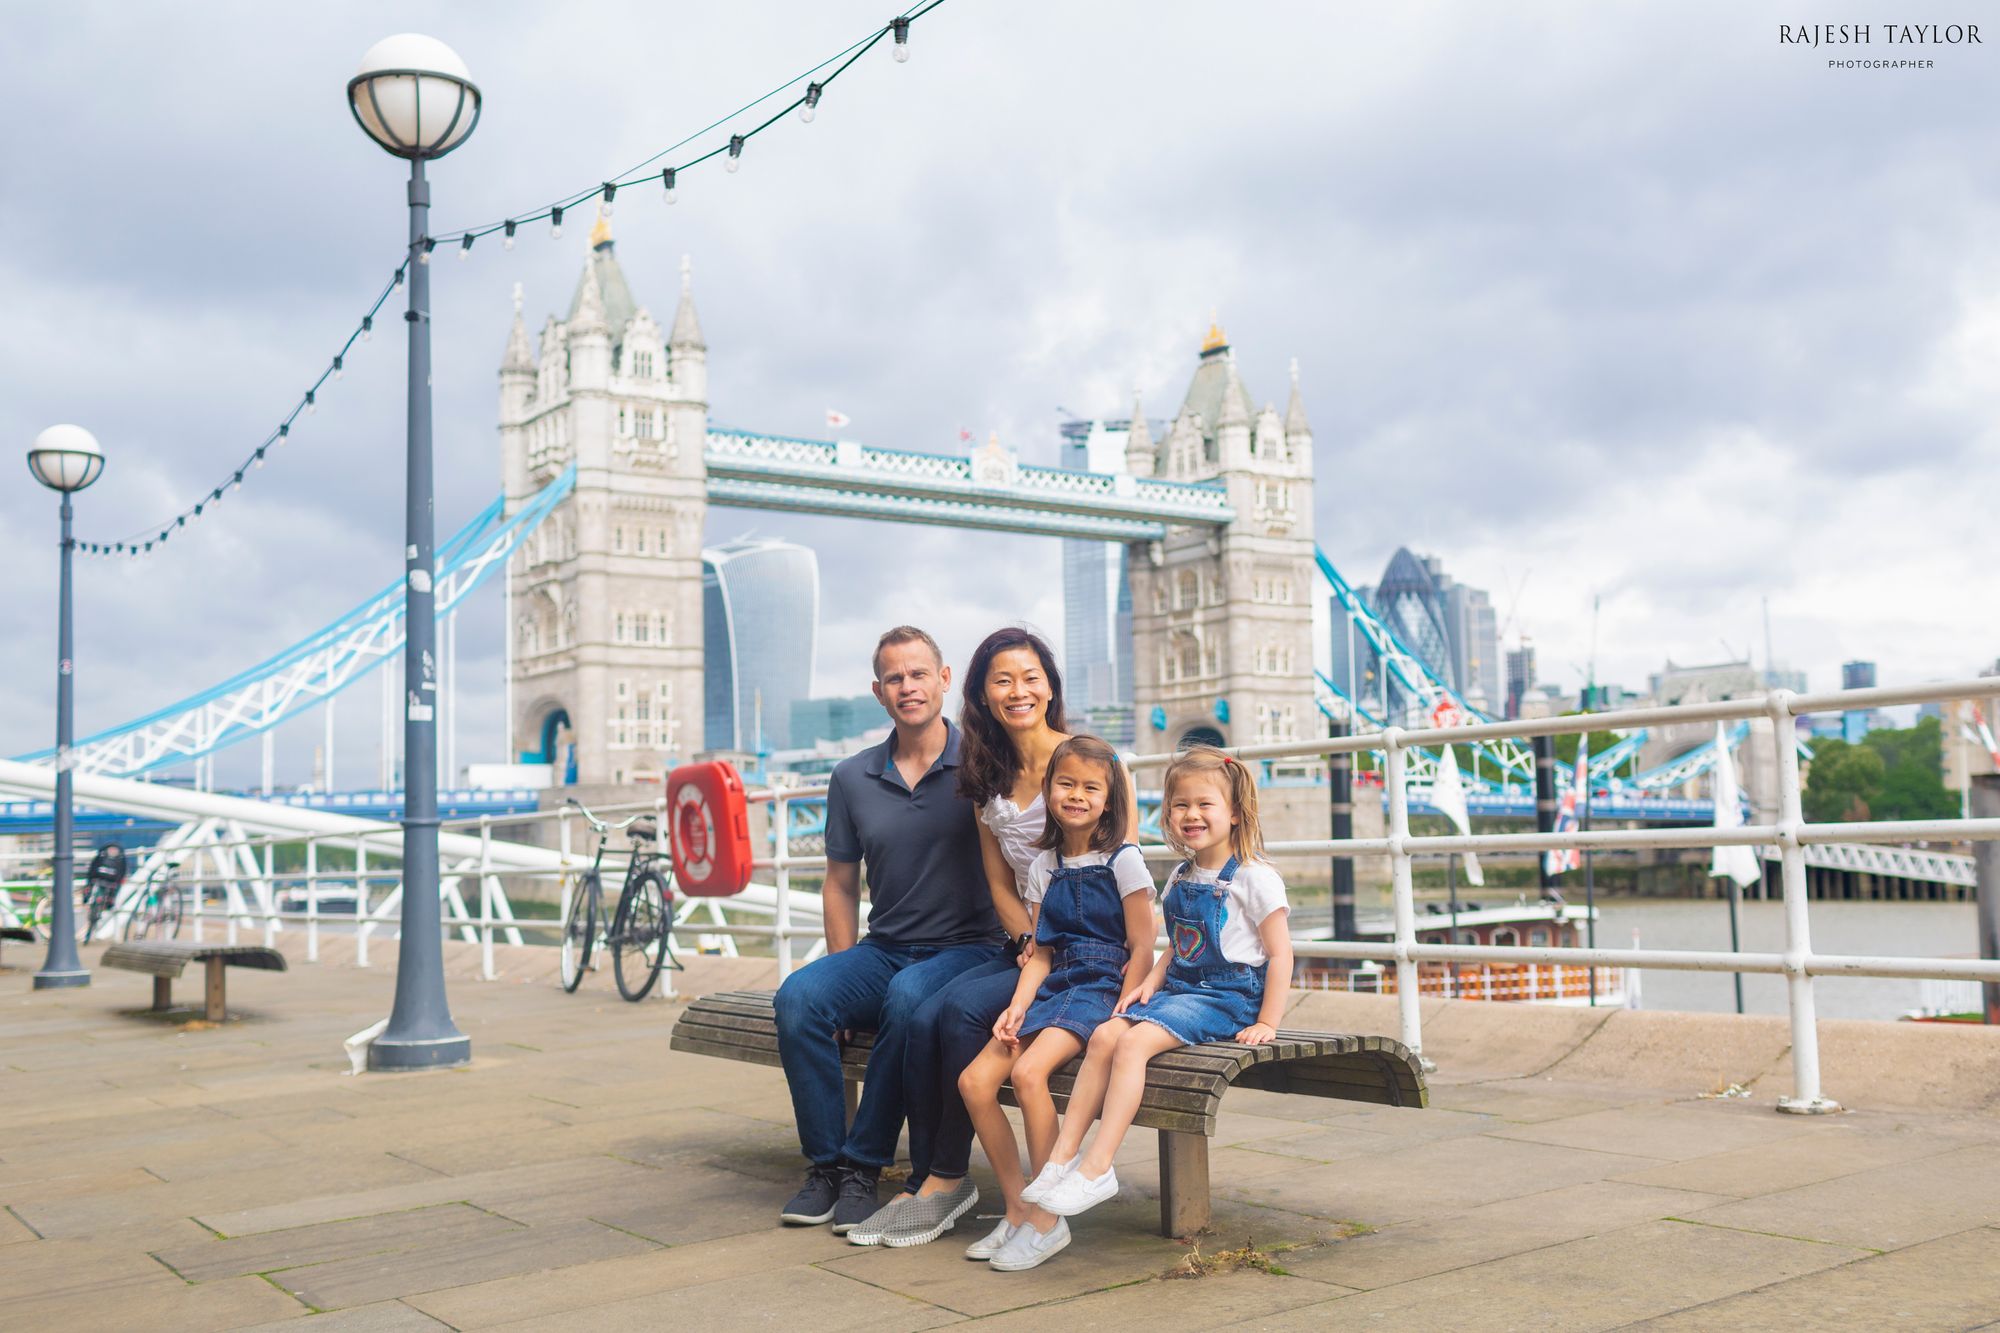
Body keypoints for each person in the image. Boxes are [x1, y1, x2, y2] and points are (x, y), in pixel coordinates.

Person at [842, 627, 1071, 1251]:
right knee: (925, 1009)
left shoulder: (1084, 761)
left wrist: (1045, 951)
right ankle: (936, 1180)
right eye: (1002, 680)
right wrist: (1027, 942)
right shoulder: (986, 770)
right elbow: (1001, 882)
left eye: (1030, 678)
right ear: (981, 694)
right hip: (1027, 945)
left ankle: (947, 1179)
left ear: (1050, 685)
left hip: (1083, 951)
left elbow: (1116, 870)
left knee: (960, 1010)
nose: (1018, 691)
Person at [772, 627, 1001, 1234]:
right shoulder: (851, 777)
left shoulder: (981, 764)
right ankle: (823, 1166)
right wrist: (842, 976)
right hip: (886, 947)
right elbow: (840, 884)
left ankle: (863, 1168)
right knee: (800, 998)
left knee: (907, 997)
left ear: (944, 679)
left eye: (919, 673)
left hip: (970, 951)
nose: (908, 687)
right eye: (895, 678)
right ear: (878, 692)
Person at [1033, 745, 1293, 1220]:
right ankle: (1060, 1158)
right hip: (1181, 989)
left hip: (1229, 996)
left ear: (1234, 813)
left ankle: (1098, 1166)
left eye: (1204, 805)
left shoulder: (1255, 878)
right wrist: (1150, 981)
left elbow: (1280, 955)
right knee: (1107, 1033)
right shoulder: (1180, 875)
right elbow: (1177, 943)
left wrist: (1268, 1021)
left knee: (1132, 1047)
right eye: (1180, 805)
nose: (1191, 815)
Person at [959, 736, 1154, 1271]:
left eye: (1091, 787)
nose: (1076, 796)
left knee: (1027, 1075)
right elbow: (1041, 953)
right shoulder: (1045, 865)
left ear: (1110, 800)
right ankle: (1021, 1207)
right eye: (1065, 784)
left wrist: (1123, 1007)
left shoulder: (1125, 861)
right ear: (1048, 791)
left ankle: (1048, 1222)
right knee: (974, 1082)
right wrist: (1017, 1006)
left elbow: (1142, 946)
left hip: (1099, 990)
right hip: (1054, 984)